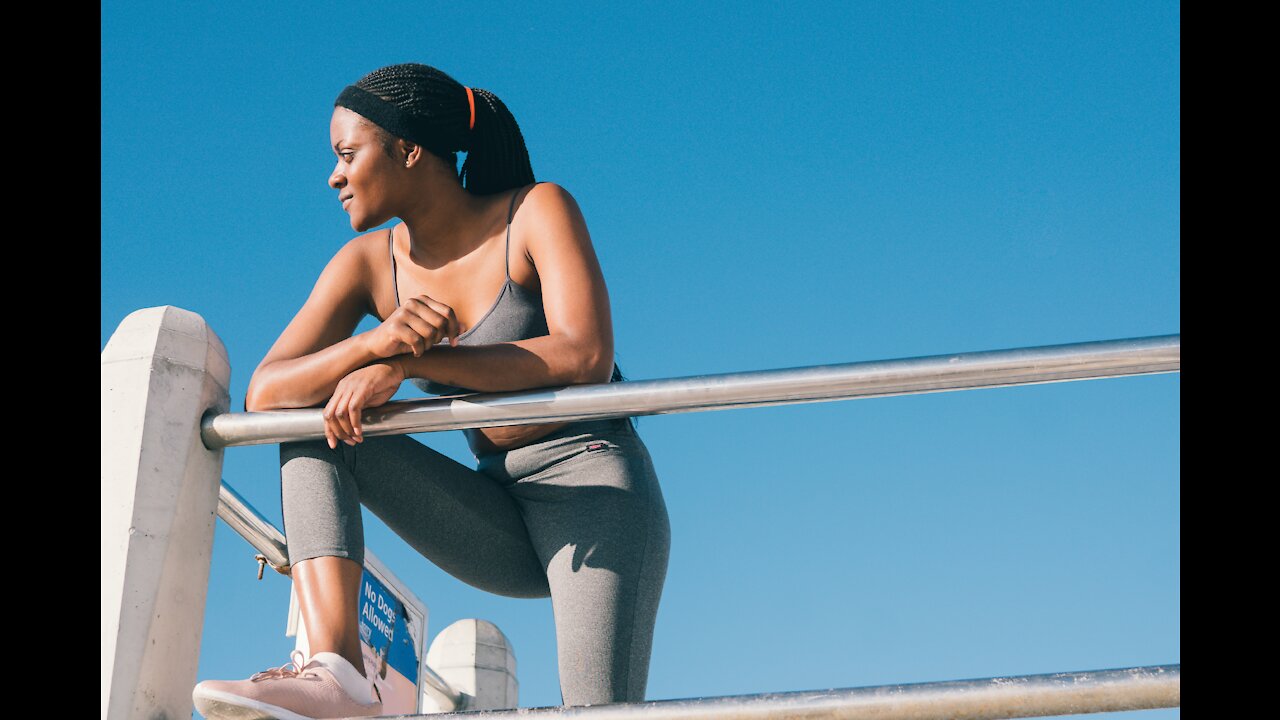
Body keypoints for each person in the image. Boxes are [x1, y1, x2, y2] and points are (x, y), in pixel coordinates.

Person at [191, 63, 671, 720]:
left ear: (409, 150)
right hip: (493, 505)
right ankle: (336, 672)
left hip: (593, 494)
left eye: (346, 154)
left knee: (594, 713)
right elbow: (267, 391)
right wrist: (375, 345)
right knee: (309, 422)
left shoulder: (535, 211)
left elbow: (586, 353)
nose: (333, 176)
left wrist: (426, 362)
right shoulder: (366, 265)